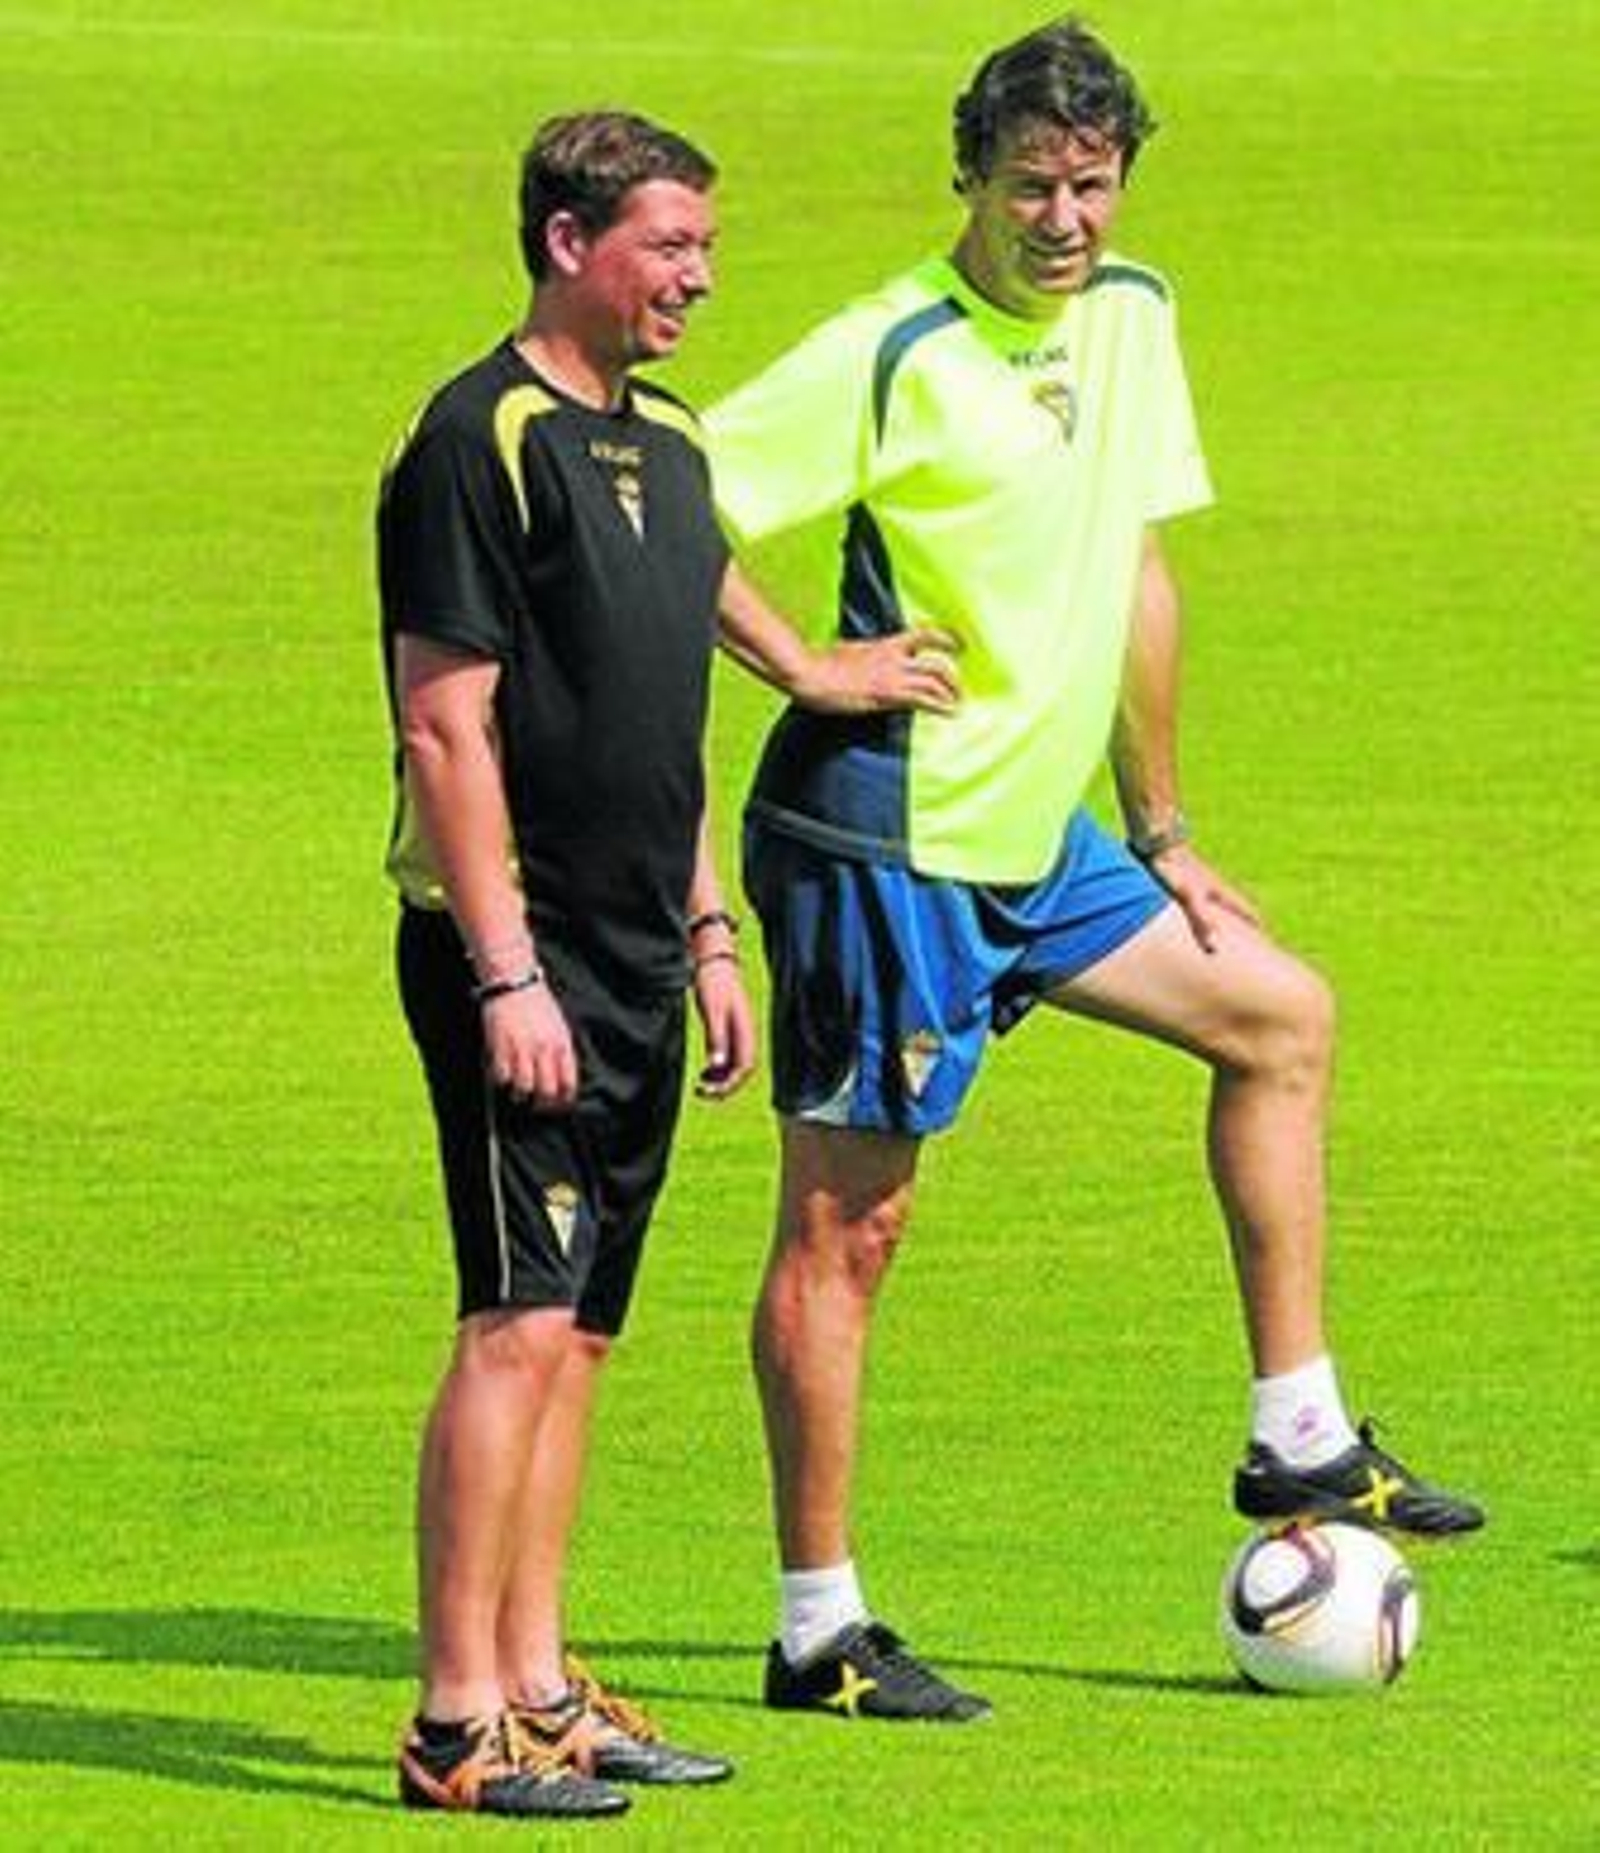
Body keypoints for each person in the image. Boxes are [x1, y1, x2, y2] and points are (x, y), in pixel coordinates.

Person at [706, 15, 1486, 1724]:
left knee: (1278, 1017)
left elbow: (1132, 571)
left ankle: (1298, 1445)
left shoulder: (1134, 317)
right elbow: (663, 501)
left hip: (1037, 838)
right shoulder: (893, 344)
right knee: (855, 1225)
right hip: (882, 840)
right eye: (1031, 188)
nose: (1064, 220)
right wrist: (810, 665)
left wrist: (1169, 832)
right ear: (968, 182)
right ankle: (816, 1626)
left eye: (1092, 185)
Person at [377, 111, 757, 1817]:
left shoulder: (668, 446)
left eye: (701, 247)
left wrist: (708, 930)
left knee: (584, 1329)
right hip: (510, 961)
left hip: (639, 959)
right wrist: (508, 972)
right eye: (665, 244)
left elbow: (657, 719)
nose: (694, 275)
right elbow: (449, 726)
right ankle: (456, 1719)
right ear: (563, 242)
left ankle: (542, 1683)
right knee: (513, 1319)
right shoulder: (479, 437)